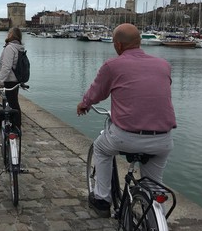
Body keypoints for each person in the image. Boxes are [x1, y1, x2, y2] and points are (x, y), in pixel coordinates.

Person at [76, 23, 177, 218]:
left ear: (119, 45)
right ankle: (156, 217)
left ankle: (102, 199)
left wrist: (84, 104)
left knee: (101, 149)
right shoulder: (164, 65)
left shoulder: (112, 65)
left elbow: (97, 92)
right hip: (163, 139)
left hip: (126, 136)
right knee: (153, 185)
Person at [0, 27, 24, 129]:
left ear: (12, 35)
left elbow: (6, 66)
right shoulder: (19, 47)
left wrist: (0, 80)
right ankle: (16, 125)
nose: (7, 34)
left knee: (13, 104)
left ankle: (15, 126)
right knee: (14, 103)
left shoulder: (10, 48)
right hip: (16, 80)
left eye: (9, 33)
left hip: (10, 80)